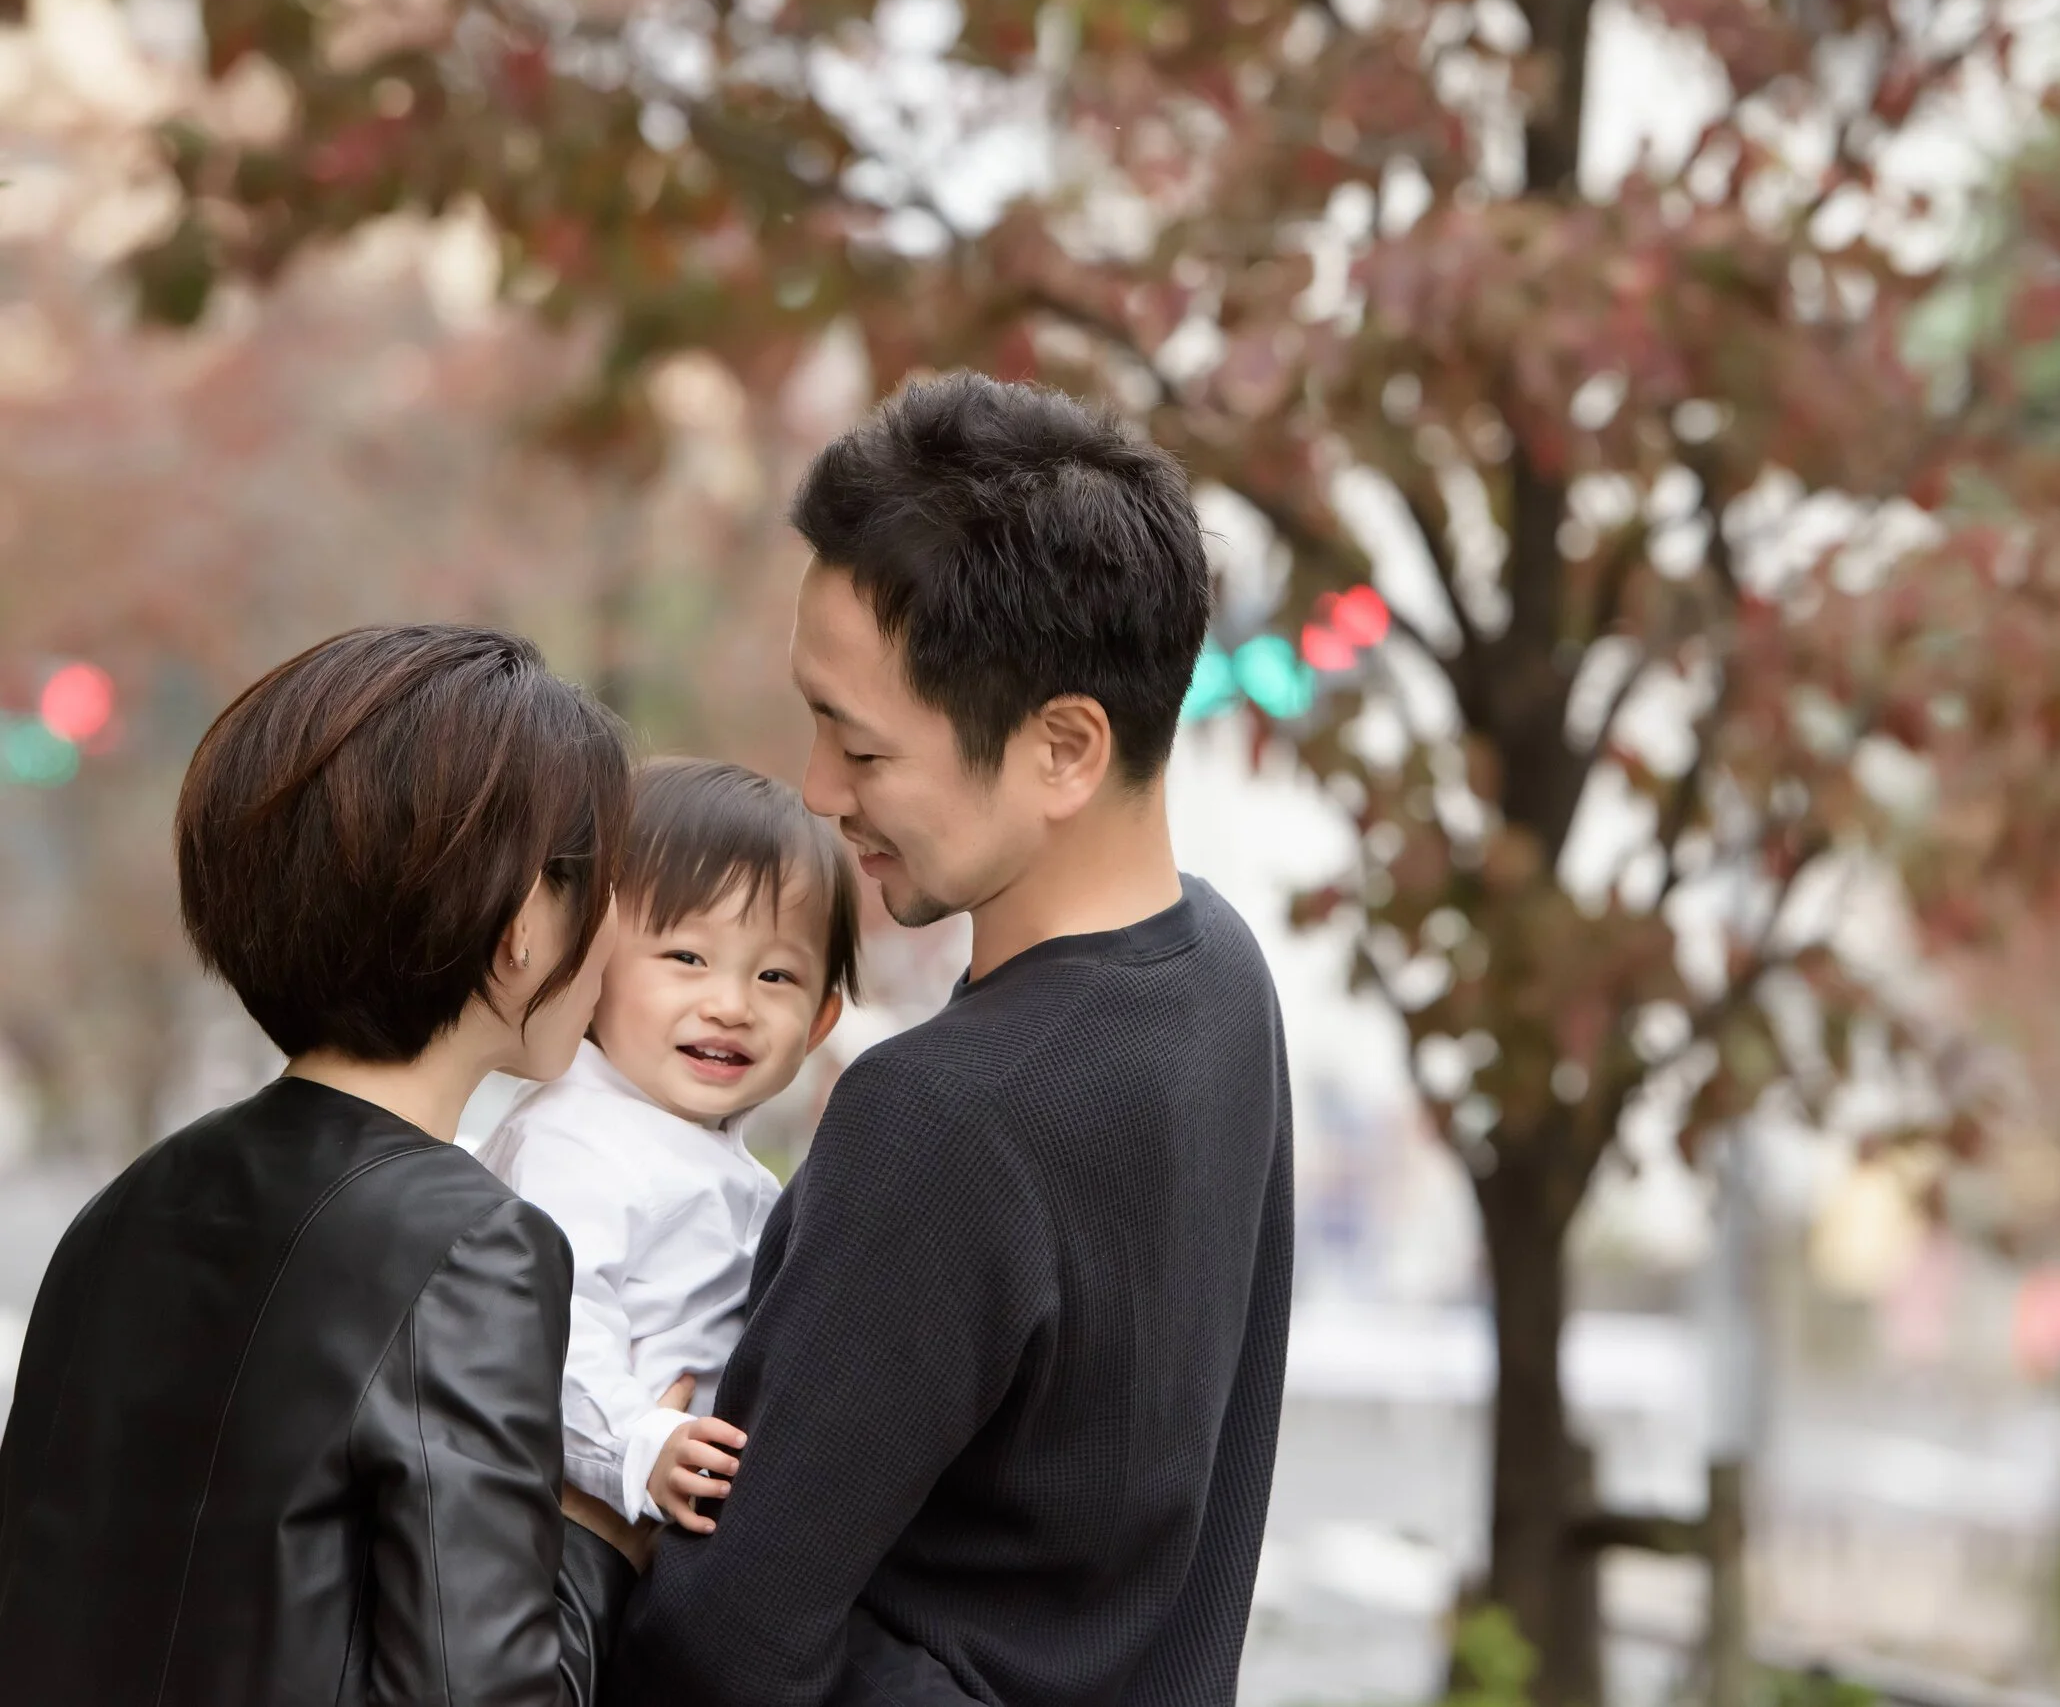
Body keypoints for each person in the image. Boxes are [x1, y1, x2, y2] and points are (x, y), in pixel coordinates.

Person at [612, 373, 1296, 1707]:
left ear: (1064, 748)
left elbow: (719, 1649)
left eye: (862, 748)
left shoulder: (945, 1114)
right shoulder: (1222, 978)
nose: (819, 788)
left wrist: (605, 1486)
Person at [0, 623, 630, 1706]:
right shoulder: (470, 1247)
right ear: (527, 916)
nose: (618, 925)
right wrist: (599, 1544)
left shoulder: (127, 1207)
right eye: (610, 880)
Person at [477, 757, 861, 1690]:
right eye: (687, 958)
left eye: (776, 974)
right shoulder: (576, 1136)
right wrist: (638, 1446)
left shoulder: (730, 1167)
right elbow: (540, 1335)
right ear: (594, 966)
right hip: (560, 1554)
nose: (729, 1004)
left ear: (820, 1021)